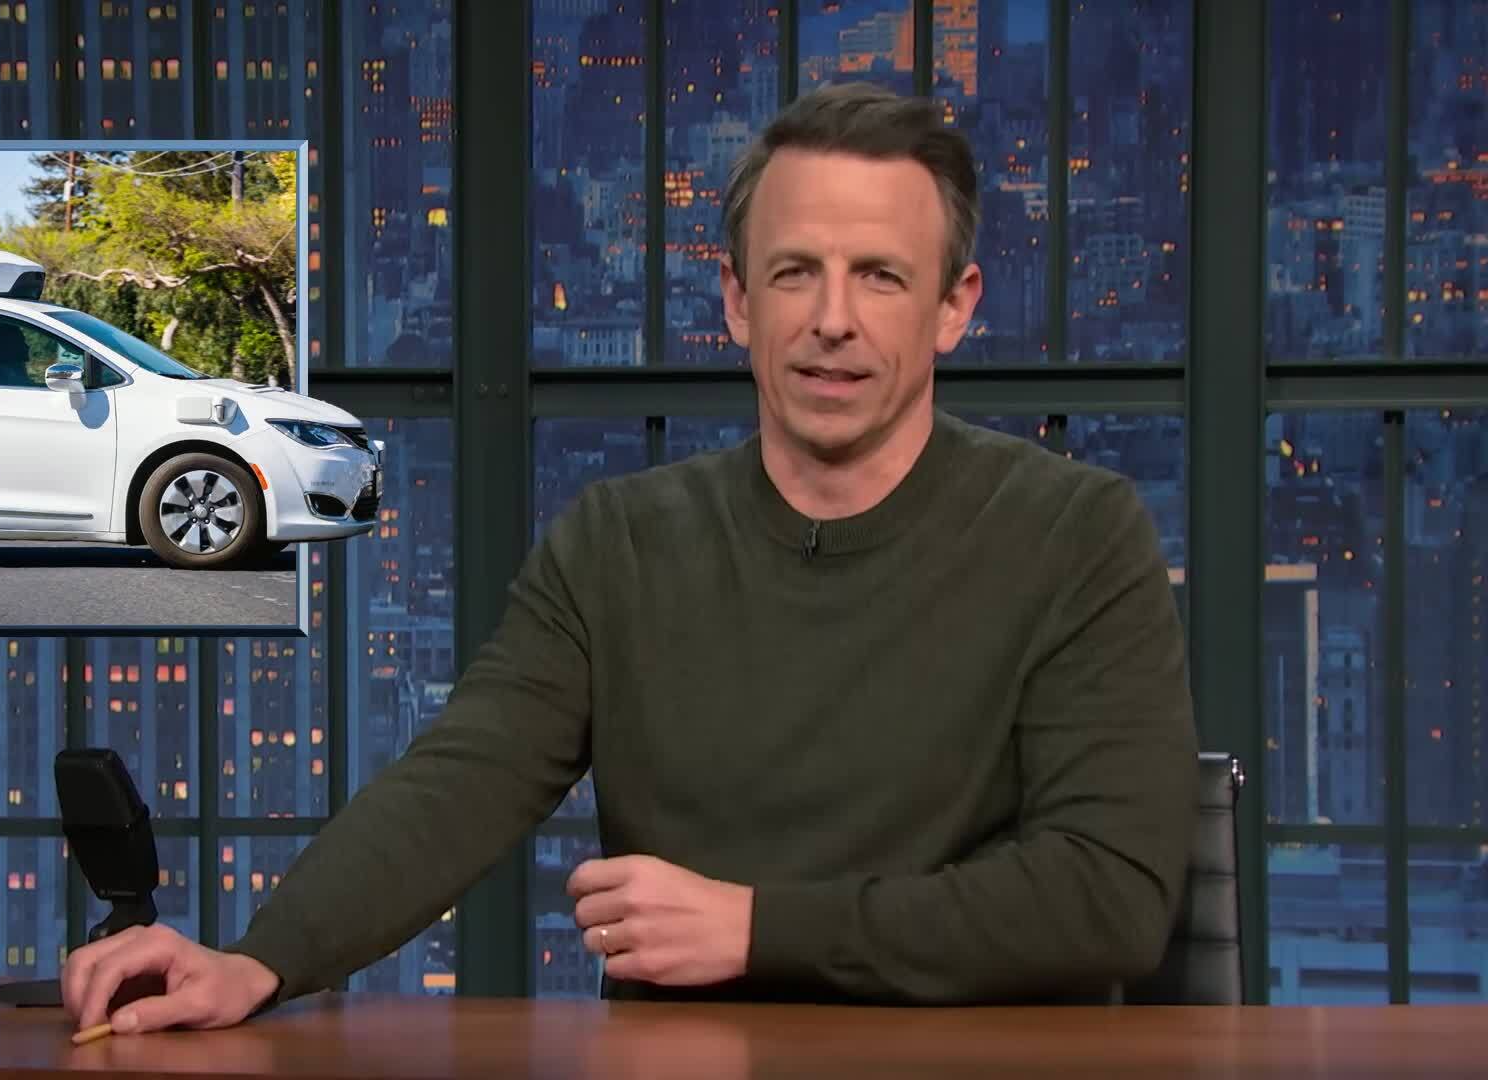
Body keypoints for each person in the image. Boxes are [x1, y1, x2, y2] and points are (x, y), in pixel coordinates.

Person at [60, 81, 1200, 1035]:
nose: (833, 319)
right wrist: (260, 961)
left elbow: (1108, 896)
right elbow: (461, 785)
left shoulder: (1076, 534)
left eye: (881, 276)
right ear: (737, 301)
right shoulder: (621, 544)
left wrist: (759, 929)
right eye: (794, 272)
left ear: (955, 307)